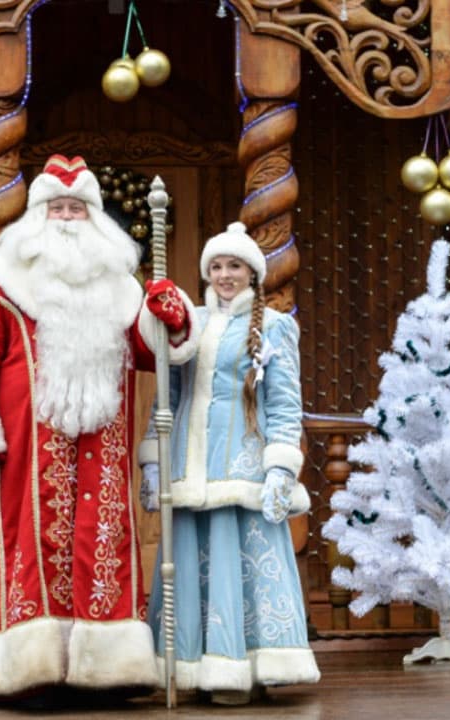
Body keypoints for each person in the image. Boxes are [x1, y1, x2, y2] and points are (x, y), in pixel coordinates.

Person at [0, 154, 198, 702]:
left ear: (95, 218)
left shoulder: (120, 283)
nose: (69, 216)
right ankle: (26, 668)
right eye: (58, 207)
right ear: (38, 215)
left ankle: (102, 669)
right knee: (29, 536)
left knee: (101, 541)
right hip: (27, 436)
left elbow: (151, 352)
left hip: (104, 433)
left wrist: (171, 318)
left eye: (78, 208)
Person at [139, 221, 320, 704]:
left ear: (252, 274)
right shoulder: (189, 324)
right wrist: (153, 461)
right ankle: (191, 669)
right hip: (187, 460)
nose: (224, 275)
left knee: (237, 561)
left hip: (241, 463)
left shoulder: (276, 326)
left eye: (234, 266)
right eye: (216, 266)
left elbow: (284, 403)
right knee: (191, 562)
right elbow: (167, 396)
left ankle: (242, 671)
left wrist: (282, 466)